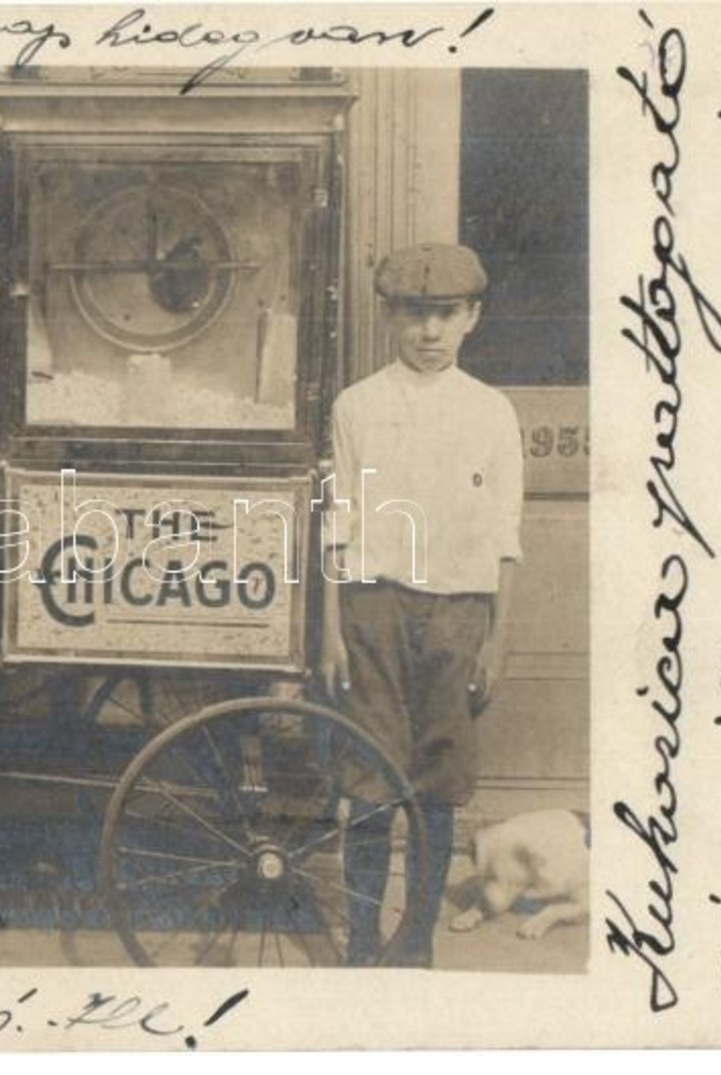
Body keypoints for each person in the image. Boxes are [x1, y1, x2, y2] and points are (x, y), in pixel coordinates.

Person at [318, 243, 523, 967]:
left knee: (436, 781)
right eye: (413, 315)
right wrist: (329, 631)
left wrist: (496, 640)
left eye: (444, 315)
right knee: (370, 779)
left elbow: (503, 532)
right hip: (370, 607)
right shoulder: (357, 406)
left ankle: (414, 944)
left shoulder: (492, 413)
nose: (428, 333)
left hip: (456, 614)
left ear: (471, 318)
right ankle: (359, 941)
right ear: (389, 318)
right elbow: (336, 519)